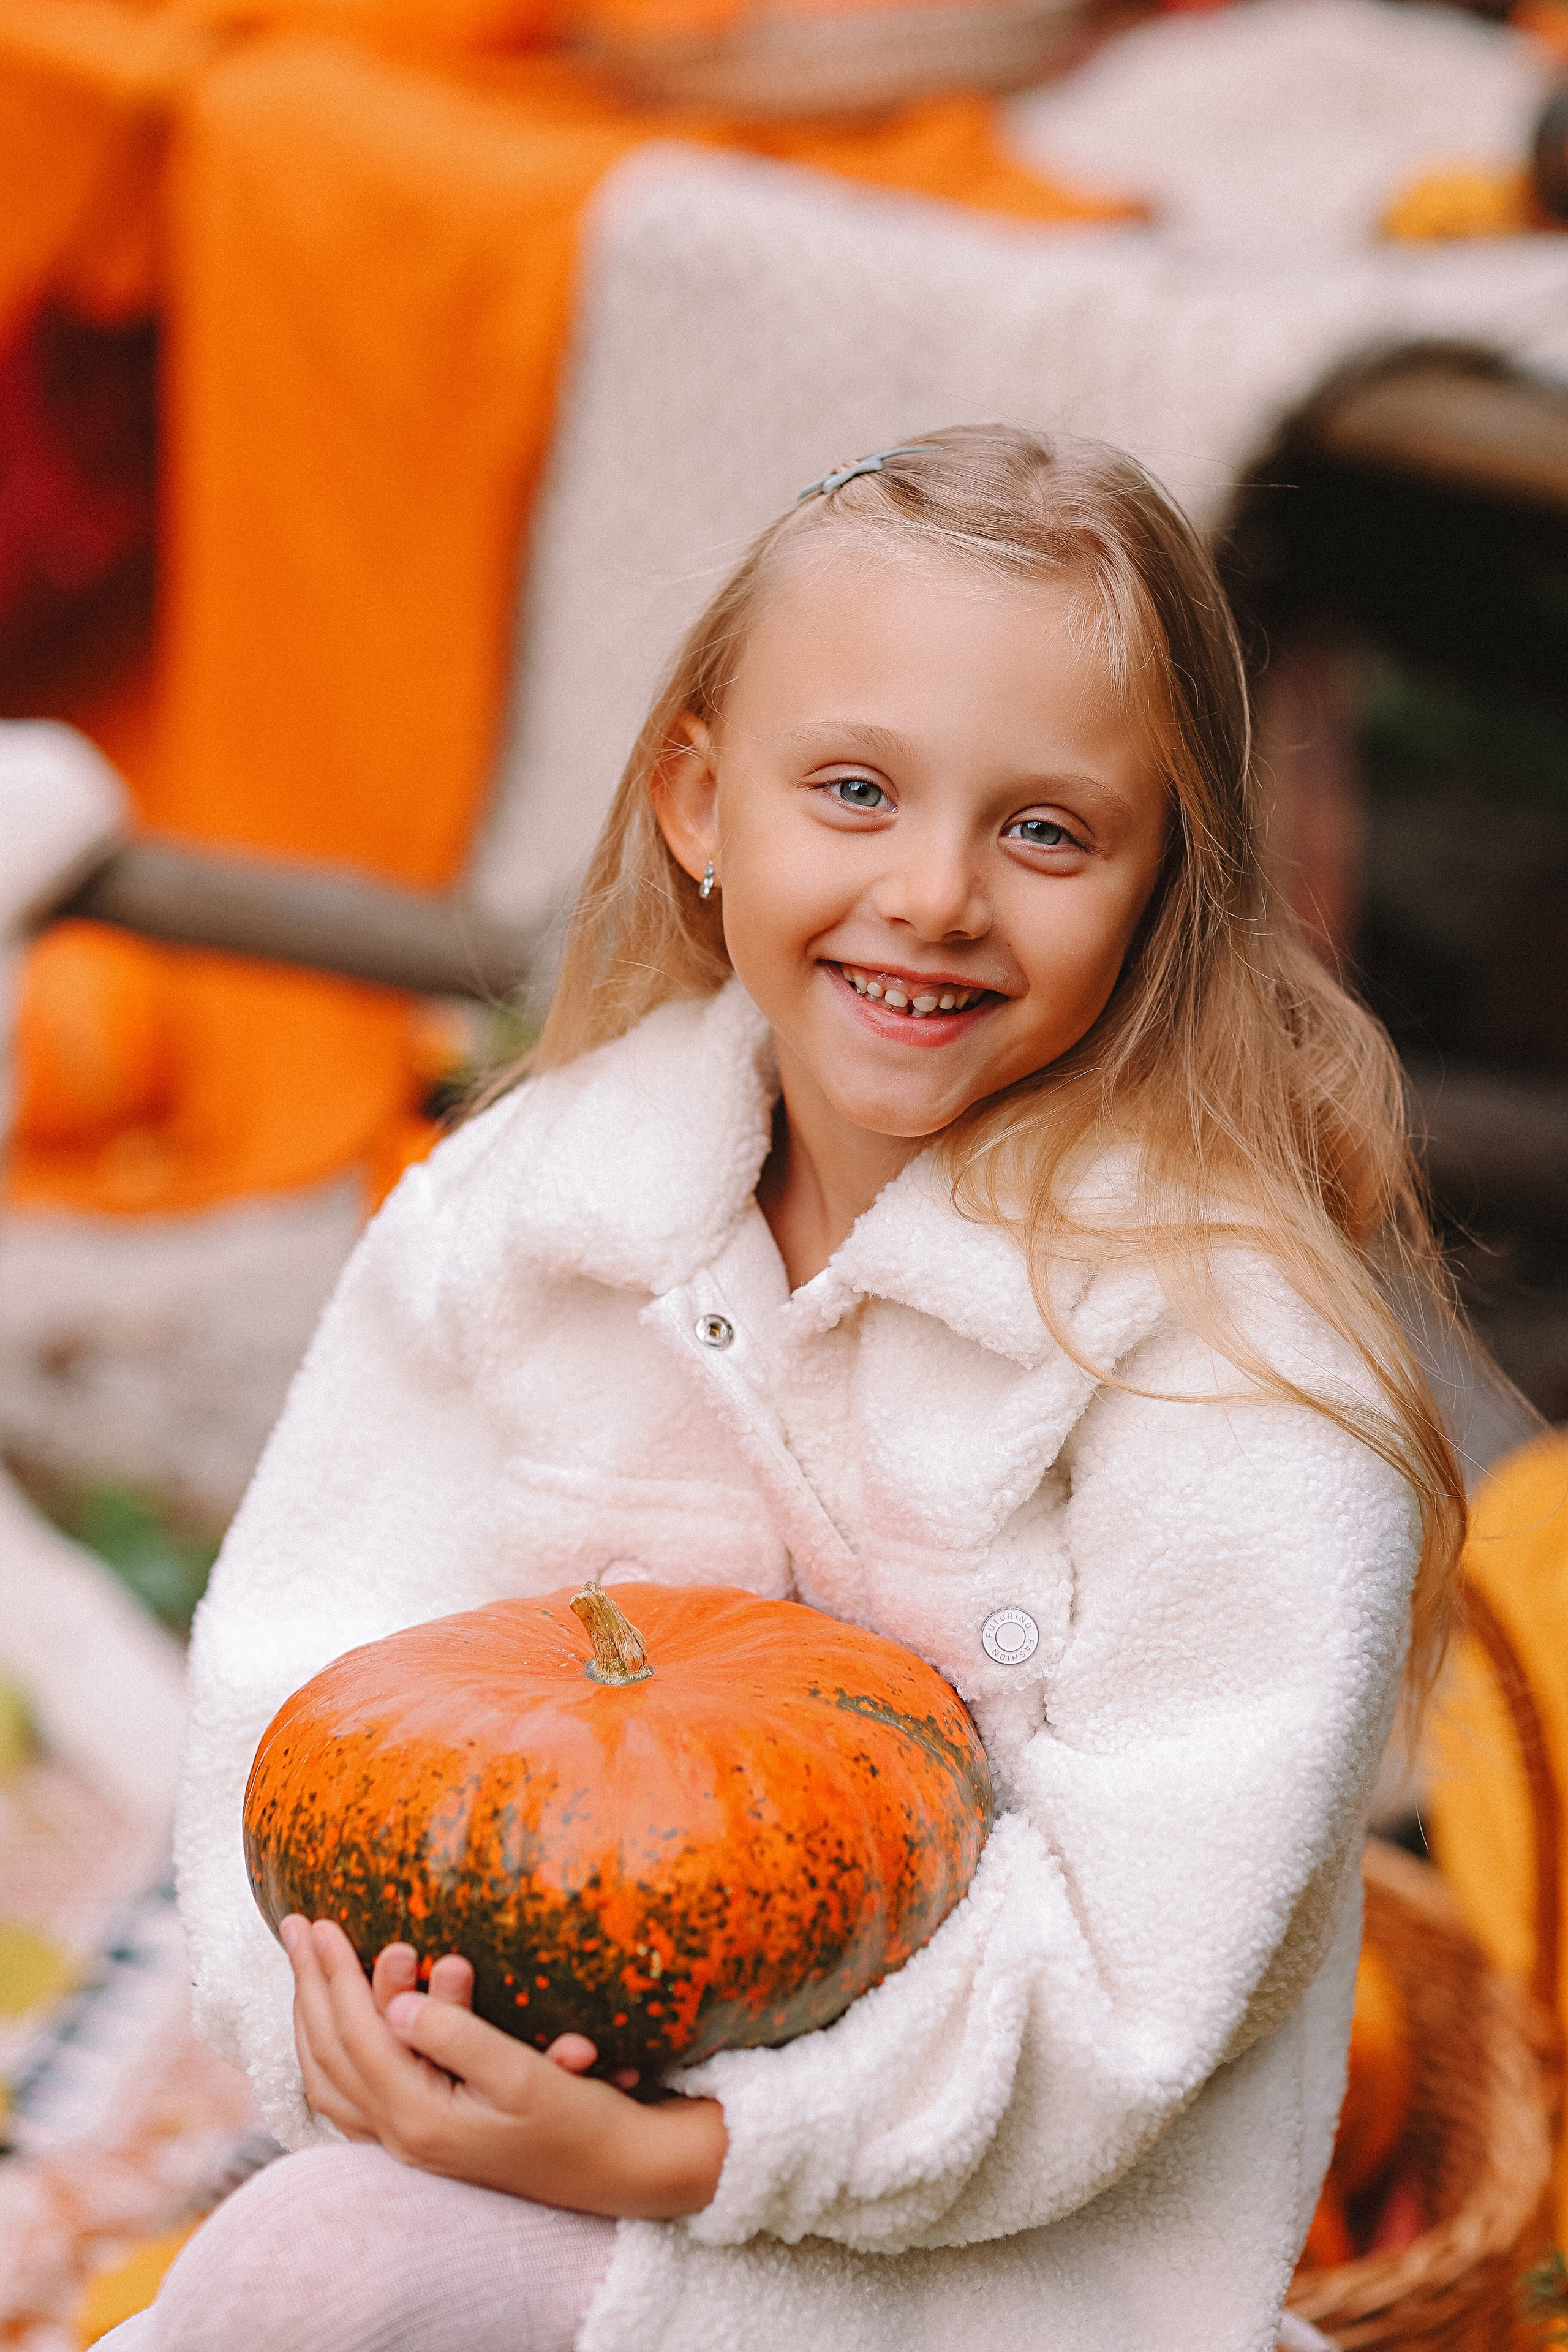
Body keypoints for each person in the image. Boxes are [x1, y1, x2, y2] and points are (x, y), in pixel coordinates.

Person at [107, 426, 1461, 2352]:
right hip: (516, 2161)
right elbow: (310, 1670)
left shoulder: (1232, 1369)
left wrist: (707, 2153)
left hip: (982, 2284)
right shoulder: (531, 1218)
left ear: (1166, 880)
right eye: (853, 790)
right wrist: (340, 2025)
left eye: (1047, 830)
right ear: (698, 798)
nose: (932, 893)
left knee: (335, 2276)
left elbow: (1138, 1971)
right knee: (308, 2255)